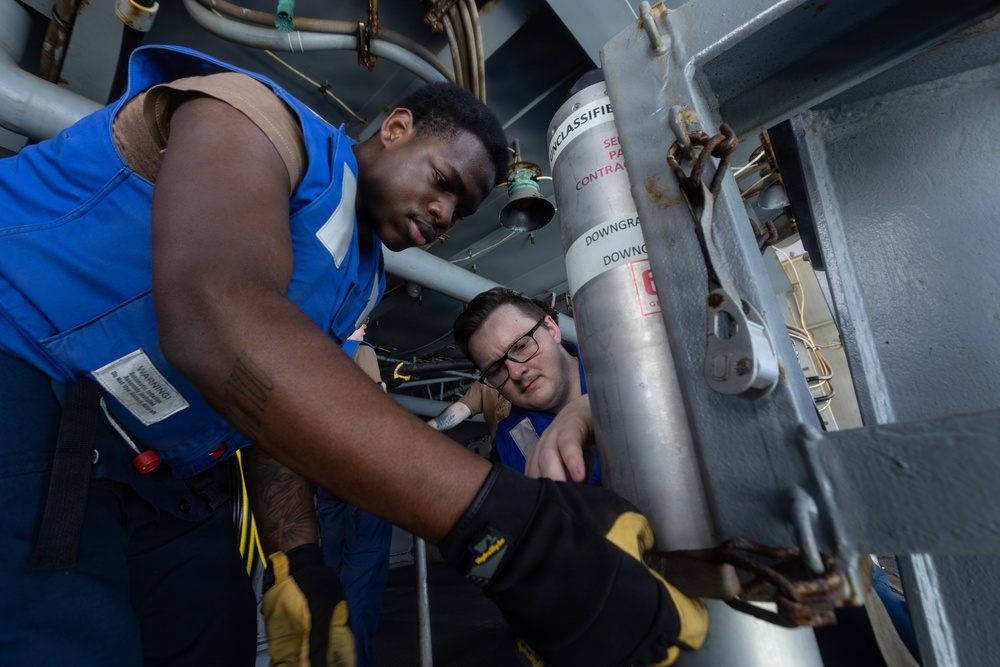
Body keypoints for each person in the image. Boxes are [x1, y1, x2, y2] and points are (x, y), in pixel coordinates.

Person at [0, 43, 707, 667]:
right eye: (442, 182)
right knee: (66, 639)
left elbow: (275, 406)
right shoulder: (255, 119)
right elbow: (216, 317)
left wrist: (297, 558)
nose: (442, 217)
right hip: (32, 380)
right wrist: (508, 525)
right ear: (395, 127)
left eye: (458, 215)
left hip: (159, 474)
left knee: (209, 635)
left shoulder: (358, 285)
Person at [453, 287, 599, 483]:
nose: (515, 372)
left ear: (552, 329)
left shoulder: (631, 366)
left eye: (521, 346)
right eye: (496, 369)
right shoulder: (506, 449)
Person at [317, 323, 392, 667]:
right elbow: (374, 412)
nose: (364, 326)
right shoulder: (360, 352)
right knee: (363, 568)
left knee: (333, 564)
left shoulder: (311, 351)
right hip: (363, 471)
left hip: (326, 471)